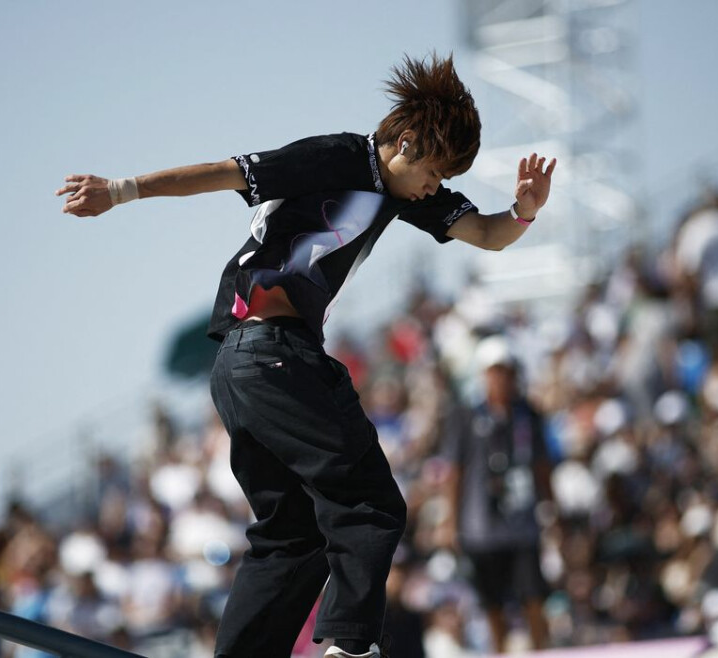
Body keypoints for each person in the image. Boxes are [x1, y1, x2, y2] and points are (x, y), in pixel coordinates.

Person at [57, 54, 557, 658]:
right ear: (405, 141)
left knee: (293, 537)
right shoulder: (337, 157)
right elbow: (226, 172)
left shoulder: (405, 193)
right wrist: (120, 191)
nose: (435, 187)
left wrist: (524, 209)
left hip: (242, 372)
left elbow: (485, 232)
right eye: (434, 171)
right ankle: (349, 647)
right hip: (273, 351)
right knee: (370, 503)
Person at [441, 336, 553, 653]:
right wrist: (451, 520)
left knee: (533, 596)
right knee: (492, 602)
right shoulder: (465, 416)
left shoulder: (528, 414)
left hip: (522, 523)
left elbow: (542, 464)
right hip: (481, 526)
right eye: (495, 371)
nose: (501, 378)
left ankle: (541, 651)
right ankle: (500, 652)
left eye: (506, 371)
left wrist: (550, 506)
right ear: (484, 375)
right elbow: (454, 471)